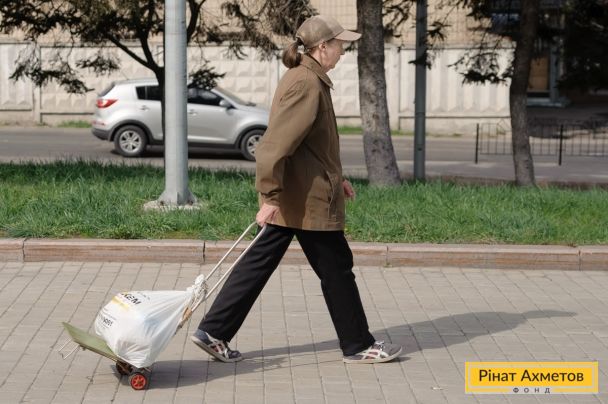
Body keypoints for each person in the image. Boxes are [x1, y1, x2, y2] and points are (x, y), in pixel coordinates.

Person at [192, 15, 402, 364]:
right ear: (322, 47)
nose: (343, 51)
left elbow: (311, 146)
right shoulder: (306, 83)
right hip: (304, 200)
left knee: (259, 263)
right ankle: (358, 344)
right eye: (339, 45)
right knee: (336, 268)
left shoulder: (309, 78)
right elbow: (274, 146)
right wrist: (269, 196)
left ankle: (213, 331)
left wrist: (337, 177)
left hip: (302, 193)